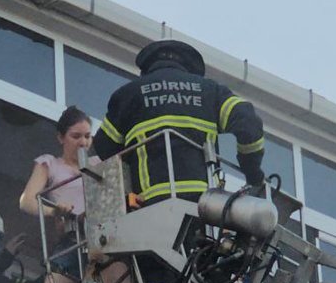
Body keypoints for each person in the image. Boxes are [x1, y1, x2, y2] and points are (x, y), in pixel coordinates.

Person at [92, 39, 266, 204]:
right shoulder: (211, 91)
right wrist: (252, 174)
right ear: (190, 68)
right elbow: (250, 124)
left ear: (147, 68)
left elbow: (103, 148)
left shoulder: (128, 95)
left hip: (151, 202)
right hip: (206, 203)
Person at [19, 106, 132, 283]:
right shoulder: (49, 164)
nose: (83, 142)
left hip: (102, 239)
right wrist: (54, 211)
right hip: (72, 240)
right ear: (61, 138)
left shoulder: (98, 164)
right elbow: (27, 201)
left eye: (87, 136)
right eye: (76, 136)